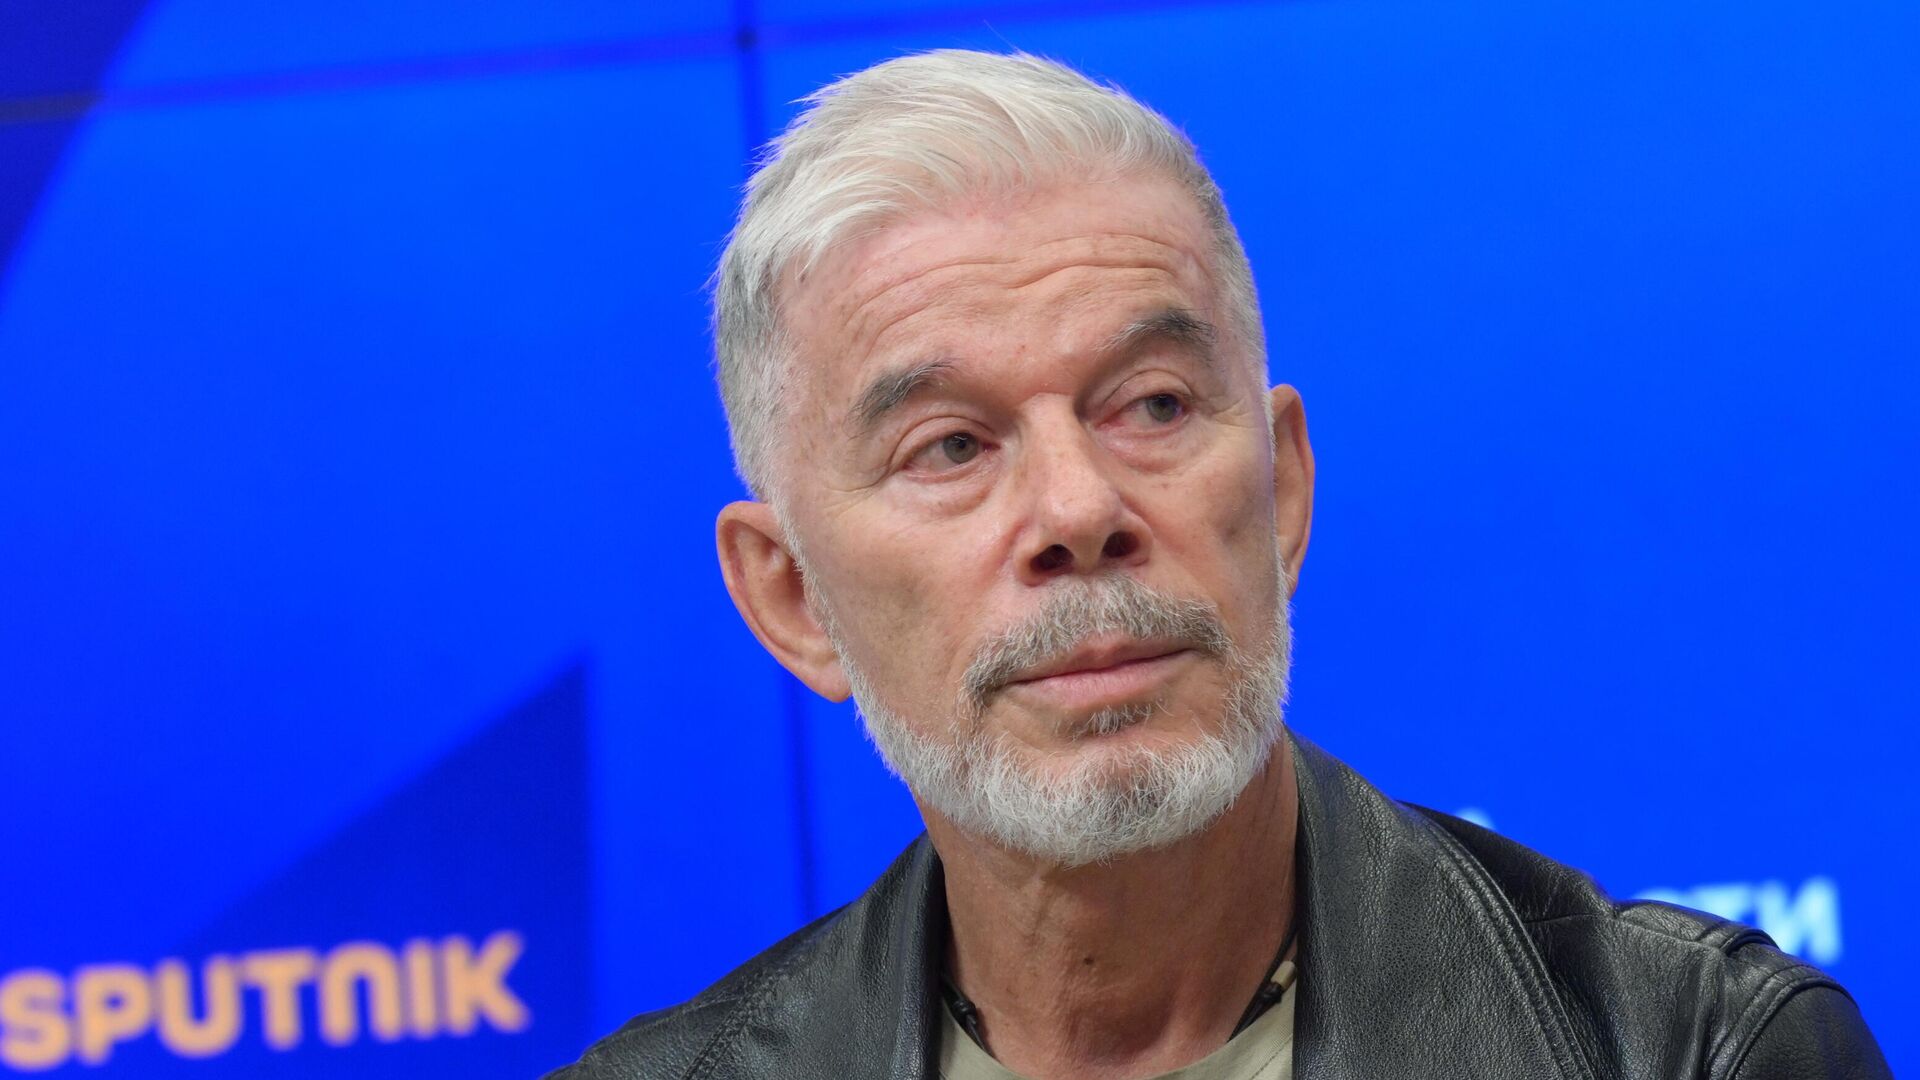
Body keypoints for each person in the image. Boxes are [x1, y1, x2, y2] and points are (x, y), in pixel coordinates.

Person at [549, 50, 1888, 1079]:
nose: (1080, 508)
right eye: (951, 445)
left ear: (1285, 487)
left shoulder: (1692, 1049)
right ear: (792, 598)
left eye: (1153, 405)